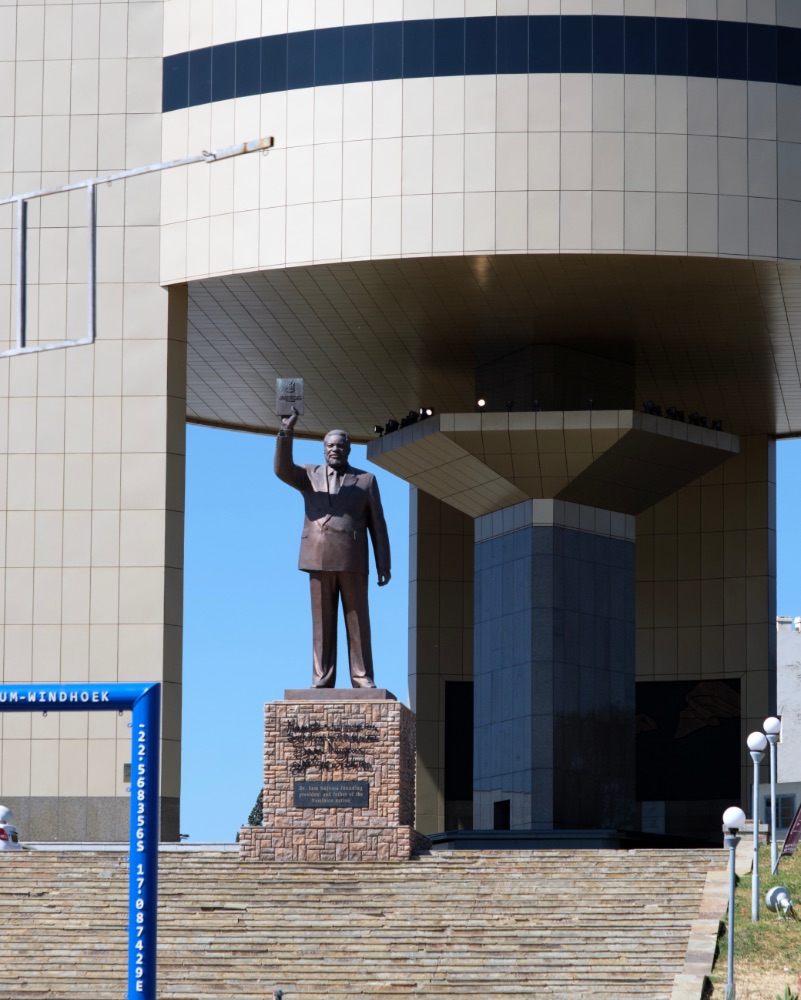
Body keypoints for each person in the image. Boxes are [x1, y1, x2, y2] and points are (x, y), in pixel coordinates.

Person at [275, 407, 391, 688]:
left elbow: (378, 525)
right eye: (330, 446)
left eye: (340, 446)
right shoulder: (308, 475)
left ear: (349, 449)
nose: (335, 450)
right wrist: (286, 431)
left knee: (358, 623)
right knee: (322, 626)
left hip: (352, 558)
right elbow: (281, 469)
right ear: (323, 449)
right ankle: (322, 679)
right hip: (318, 556)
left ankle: (362, 678)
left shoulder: (366, 481)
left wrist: (383, 563)